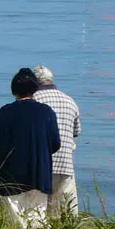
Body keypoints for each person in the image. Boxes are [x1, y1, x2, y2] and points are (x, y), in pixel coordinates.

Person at [0, 68, 61, 229]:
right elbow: (55, 143)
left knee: (16, 225)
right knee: (38, 223)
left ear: (14, 90)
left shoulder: (6, 112)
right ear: (35, 89)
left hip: (12, 177)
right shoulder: (46, 112)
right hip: (39, 175)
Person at [32, 65, 81, 217]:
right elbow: (76, 132)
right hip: (65, 164)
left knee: (38, 213)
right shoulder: (69, 101)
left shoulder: (33, 100)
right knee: (65, 212)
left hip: (39, 165)